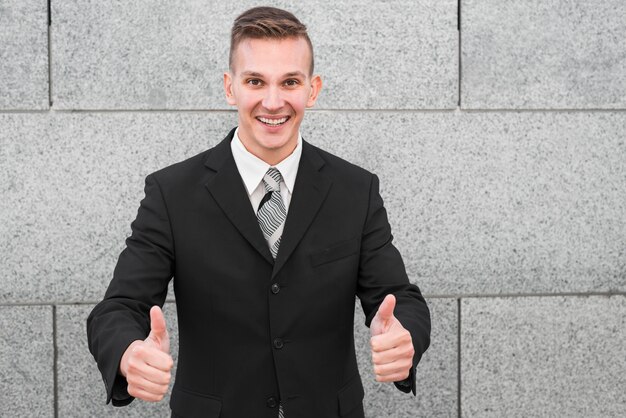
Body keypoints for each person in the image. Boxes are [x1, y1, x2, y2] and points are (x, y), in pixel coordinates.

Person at [87, 6, 430, 418]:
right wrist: (128, 352)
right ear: (230, 88)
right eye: (255, 81)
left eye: (290, 81)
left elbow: (401, 298)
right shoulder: (171, 194)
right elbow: (119, 307)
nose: (273, 101)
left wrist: (404, 335)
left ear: (312, 89)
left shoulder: (356, 190)